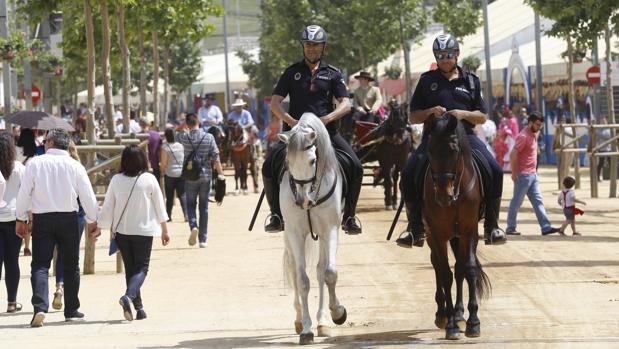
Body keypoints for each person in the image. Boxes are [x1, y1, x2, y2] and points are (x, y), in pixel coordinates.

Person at [397, 33, 506, 248]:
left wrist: (462, 114)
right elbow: (413, 116)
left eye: (448, 54)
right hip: (434, 140)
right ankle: (415, 228)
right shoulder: (427, 81)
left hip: (466, 138)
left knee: (495, 169)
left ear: (457, 54)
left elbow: (482, 116)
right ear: (436, 57)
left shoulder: (471, 81)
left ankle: (491, 226)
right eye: (440, 55)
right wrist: (430, 112)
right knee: (408, 173)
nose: (445, 59)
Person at [263, 24, 363, 234]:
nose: (311, 48)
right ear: (303, 46)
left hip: (327, 134)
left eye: (316, 45)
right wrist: (291, 122)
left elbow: (346, 104)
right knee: (268, 165)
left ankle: (350, 216)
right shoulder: (291, 73)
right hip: (296, 135)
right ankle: (276, 215)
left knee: (355, 165)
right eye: (308, 44)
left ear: (323, 47)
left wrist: (327, 118)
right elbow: (275, 103)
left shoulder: (333, 74)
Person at [15, 128, 98, 327]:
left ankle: (40, 308)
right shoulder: (75, 165)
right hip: (68, 218)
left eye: (45, 141)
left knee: (40, 265)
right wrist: (93, 220)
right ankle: (71, 309)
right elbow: (87, 196)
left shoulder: (35, 163)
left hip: (42, 219)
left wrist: (20, 218)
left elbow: (24, 194)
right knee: (71, 265)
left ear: (51, 142)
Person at [95, 145, 169, 321]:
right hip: (143, 231)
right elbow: (160, 206)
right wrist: (165, 230)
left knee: (131, 269)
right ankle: (128, 297)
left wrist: (99, 226)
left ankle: (139, 309)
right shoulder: (149, 179)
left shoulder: (116, 180)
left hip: (123, 231)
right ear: (142, 160)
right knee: (142, 268)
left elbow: (108, 207)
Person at [505, 112, 562, 236]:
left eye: (540, 125)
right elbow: (513, 154)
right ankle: (510, 228)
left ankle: (545, 227)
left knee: (538, 201)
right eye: (537, 124)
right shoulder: (523, 136)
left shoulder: (535, 132)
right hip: (523, 176)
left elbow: (535, 143)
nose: (539, 127)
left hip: (533, 175)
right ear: (530, 123)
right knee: (516, 203)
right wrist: (514, 173)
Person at [176, 113, 225, 248]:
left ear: (187, 124)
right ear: (199, 121)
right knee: (204, 207)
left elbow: (175, 132)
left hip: (190, 176)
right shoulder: (208, 137)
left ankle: (193, 226)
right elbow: (216, 157)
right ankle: (203, 239)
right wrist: (221, 174)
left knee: (190, 204)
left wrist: (183, 125)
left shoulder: (184, 136)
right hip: (206, 175)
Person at [51, 141, 87, 311]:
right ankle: (71, 304)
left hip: (54, 214)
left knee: (59, 253)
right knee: (72, 257)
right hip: (76, 215)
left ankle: (59, 285)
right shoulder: (77, 167)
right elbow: (85, 195)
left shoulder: (53, 168)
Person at [0, 132, 24, 313]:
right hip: (14, 219)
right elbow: (25, 194)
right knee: (12, 261)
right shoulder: (18, 167)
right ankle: (12, 302)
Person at [15, 128, 41, 256]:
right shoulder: (34, 154)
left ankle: (17, 240)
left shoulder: (15, 151)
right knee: (29, 218)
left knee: (18, 216)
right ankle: (26, 246)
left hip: (16, 188)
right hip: (29, 188)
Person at [160, 128, 187, 222]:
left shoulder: (165, 147)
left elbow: (163, 163)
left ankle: (168, 216)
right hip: (181, 173)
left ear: (166, 136)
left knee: (170, 196)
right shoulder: (180, 146)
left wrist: (162, 173)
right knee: (182, 195)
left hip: (170, 173)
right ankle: (186, 214)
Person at [596, 116, 611, 181]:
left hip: (609, 149)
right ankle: (598, 177)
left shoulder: (610, 129)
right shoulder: (598, 130)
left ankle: (612, 177)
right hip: (601, 148)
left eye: (604, 121)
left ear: (606, 122)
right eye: (602, 121)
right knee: (600, 163)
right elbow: (596, 139)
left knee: (611, 163)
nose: (603, 122)